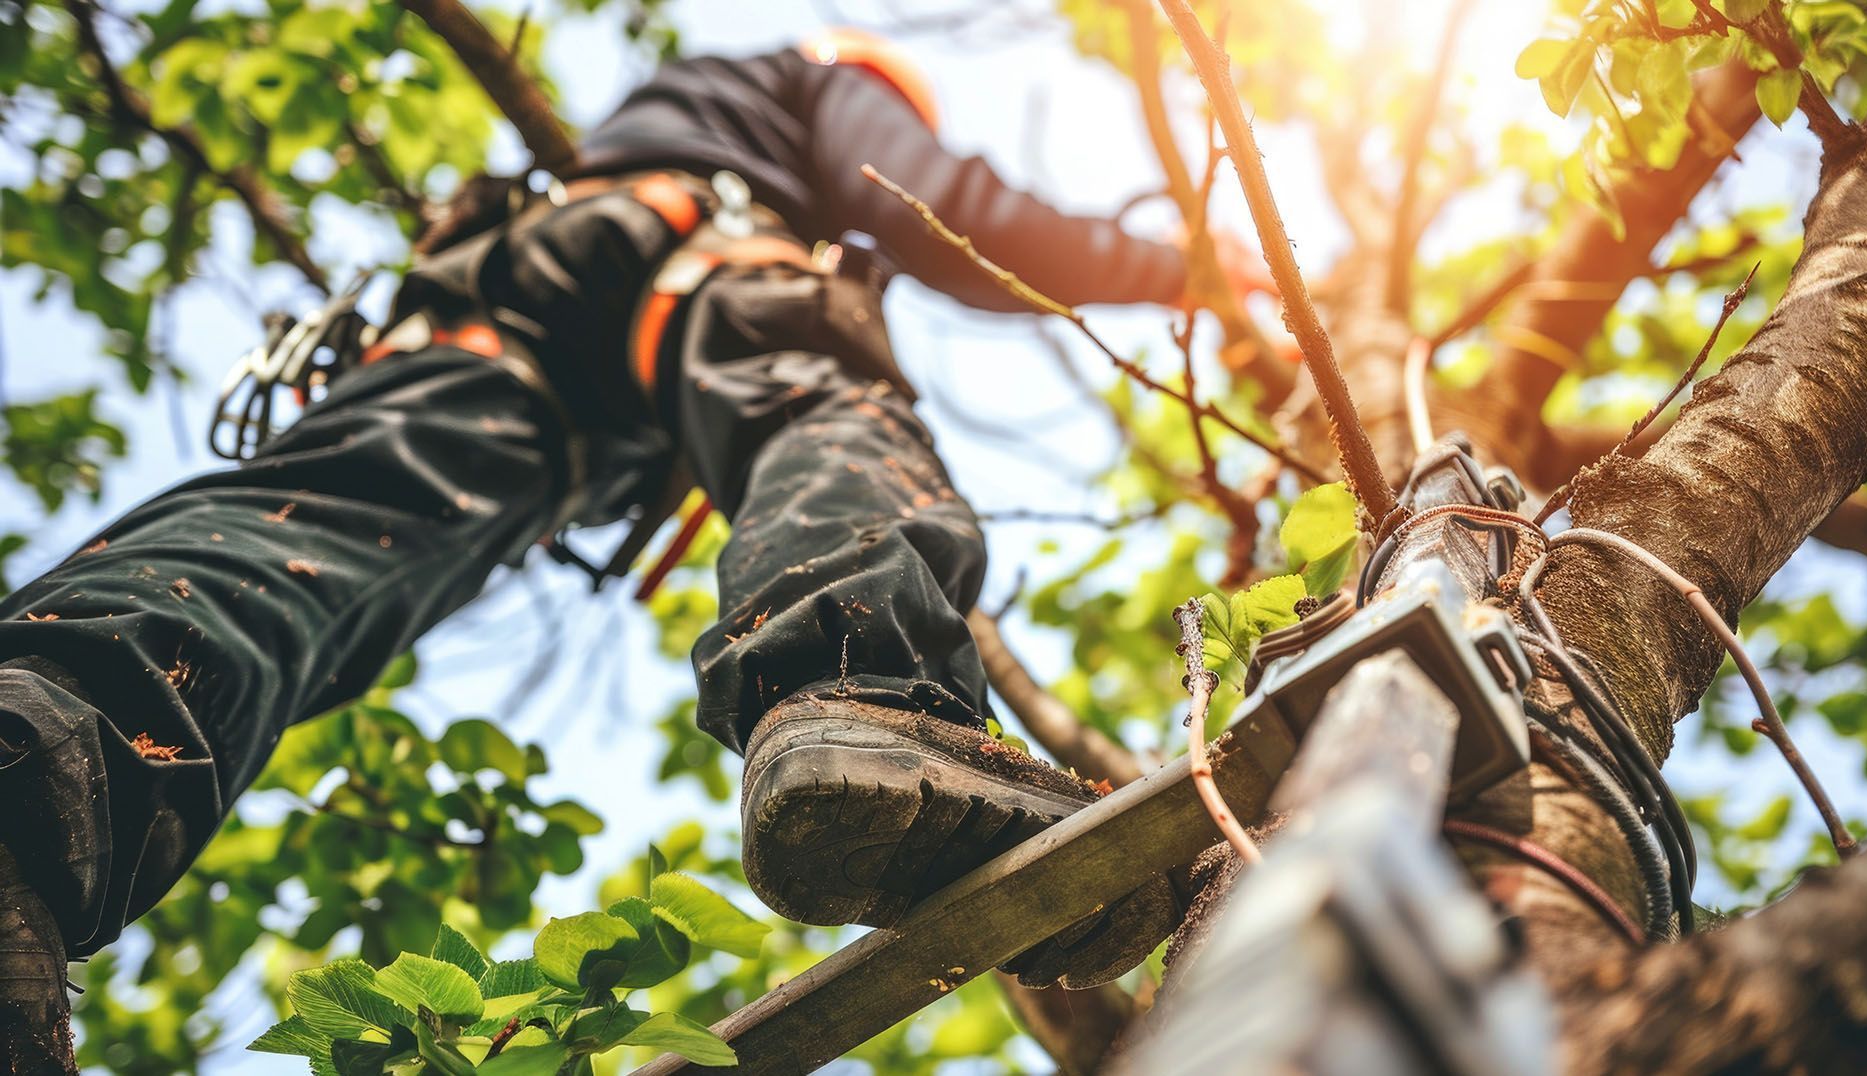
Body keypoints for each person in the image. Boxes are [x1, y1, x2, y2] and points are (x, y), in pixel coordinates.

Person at [0, 29, 1273, 1068]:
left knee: (324, 518)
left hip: (505, 295)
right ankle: (867, 697)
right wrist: (1197, 271)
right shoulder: (821, 87)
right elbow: (939, 211)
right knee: (815, 416)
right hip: (707, 268)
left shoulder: (663, 105)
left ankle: (45, 737)